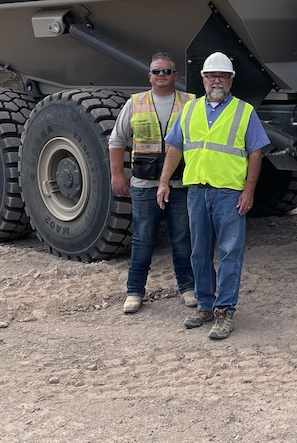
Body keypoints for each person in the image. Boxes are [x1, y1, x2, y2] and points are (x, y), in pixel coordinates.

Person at [157, 51, 268, 340]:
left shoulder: (245, 112)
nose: (216, 80)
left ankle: (225, 311)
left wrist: (248, 191)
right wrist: (164, 182)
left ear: (231, 80)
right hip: (196, 191)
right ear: (203, 79)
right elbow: (175, 147)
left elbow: (256, 154)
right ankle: (205, 306)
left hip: (229, 195)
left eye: (223, 76)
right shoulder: (190, 110)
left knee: (231, 253)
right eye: (211, 76)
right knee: (200, 252)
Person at [108, 52, 196, 315]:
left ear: (175, 76)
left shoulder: (190, 103)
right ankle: (134, 292)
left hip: (181, 184)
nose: (161, 75)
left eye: (167, 71)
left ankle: (188, 288)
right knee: (143, 239)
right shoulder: (135, 103)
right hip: (144, 185)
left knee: (182, 239)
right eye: (156, 71)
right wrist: (117, 175)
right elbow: (116, 141)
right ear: (149, 76)